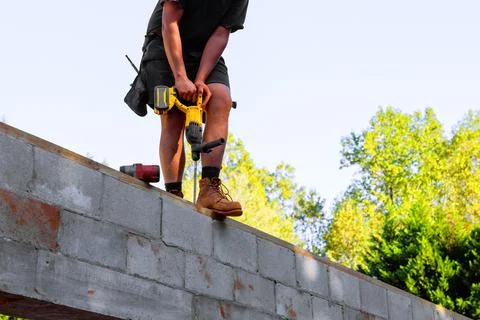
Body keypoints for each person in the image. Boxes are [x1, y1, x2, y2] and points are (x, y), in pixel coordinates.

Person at [141, 0, 249, 217]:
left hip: (203, 51)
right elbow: (169, 20)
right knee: (173, 115)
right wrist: (180, 77)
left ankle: (209, 188)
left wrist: (200, 80)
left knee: (221, 99)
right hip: (165, 43)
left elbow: (220, 34)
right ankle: (173, 194)